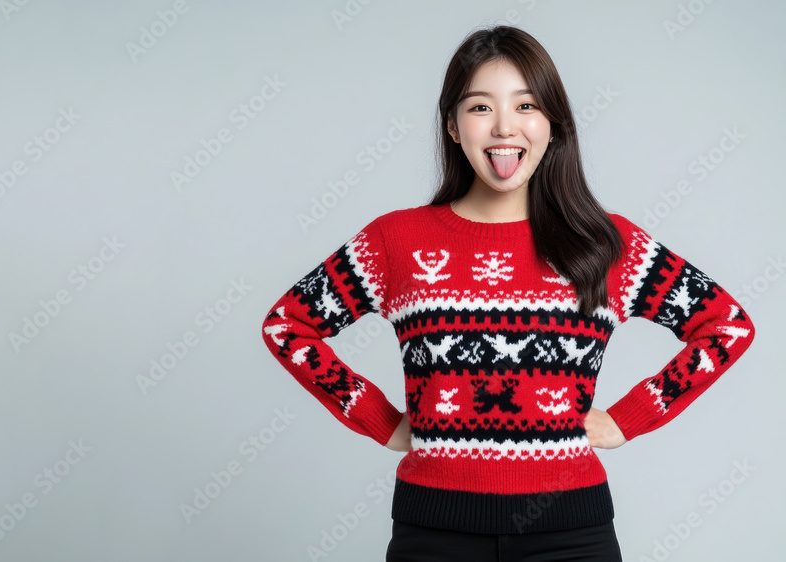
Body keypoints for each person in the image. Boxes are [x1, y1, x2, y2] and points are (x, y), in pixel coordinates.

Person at [259, 25, 755, 562]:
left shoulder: (607, 244)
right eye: (478, 108)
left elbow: (726, 326)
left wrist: (628, 417)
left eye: (526, 105)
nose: (504, 127)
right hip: (434, 531)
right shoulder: (396, 240)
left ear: (551, 123)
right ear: (451, 125)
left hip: (573, 535)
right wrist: (380, 420)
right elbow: (288, 325)